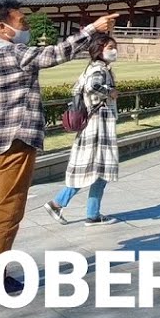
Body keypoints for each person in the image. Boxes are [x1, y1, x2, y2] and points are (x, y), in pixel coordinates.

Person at [0, 0, 117, 297]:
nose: (26, 28)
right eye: (21, 23)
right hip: (15, 143)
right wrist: (92, 29)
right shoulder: (13, 52)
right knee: (8, 211)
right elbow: (54, 54)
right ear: (2, 28)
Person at [44, 34, 121, 226]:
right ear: (100, 49)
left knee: (97, 171)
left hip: (97, 125)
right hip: (98, 127)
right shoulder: (99, 69)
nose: (114, 50)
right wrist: (109, 92)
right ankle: (58, 203)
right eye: (110, 47)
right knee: (94, 169)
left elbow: (78, 88)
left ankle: (92, 214)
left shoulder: (94, 68)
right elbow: (92, 85)